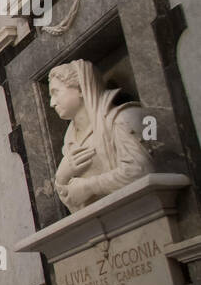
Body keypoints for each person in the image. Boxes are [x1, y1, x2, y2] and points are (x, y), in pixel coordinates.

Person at [49, 60, 152, 212]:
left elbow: (142, 170)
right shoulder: (69, 142)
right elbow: (75, 204)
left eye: (55, 93)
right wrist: (61, 179)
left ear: (80, 88)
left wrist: (89, 186)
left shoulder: (123, 119)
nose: (52, 103)